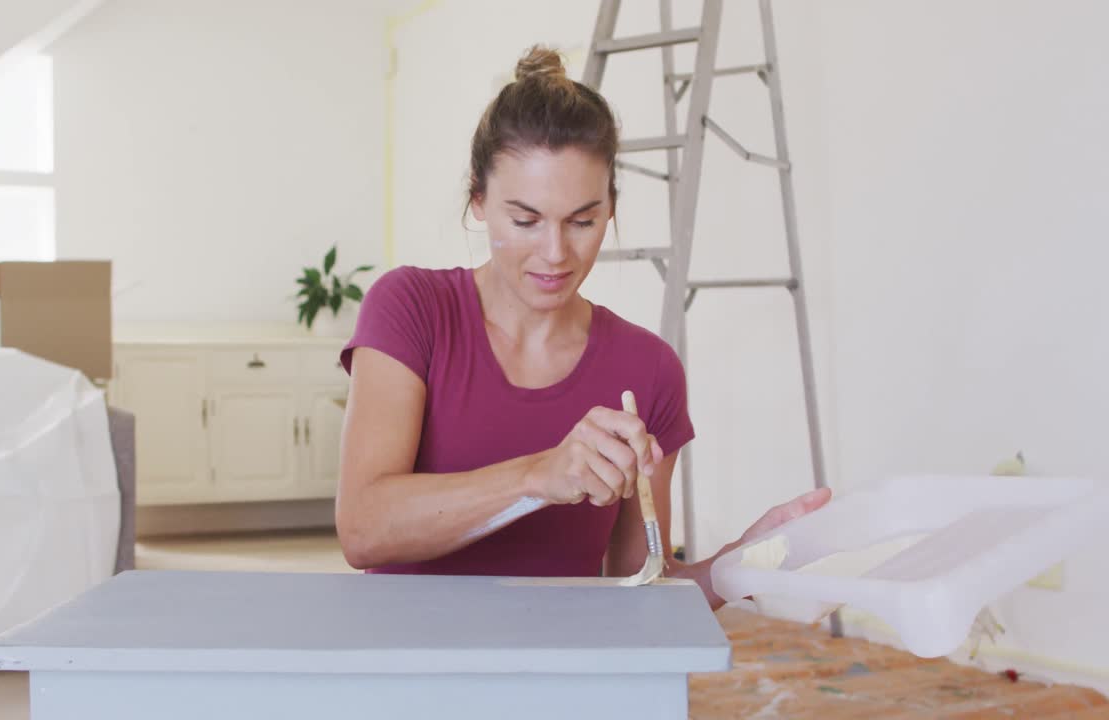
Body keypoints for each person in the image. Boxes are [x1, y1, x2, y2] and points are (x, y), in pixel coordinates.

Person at [334, 45, 829, 609]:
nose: (555, 253)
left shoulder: (648, 369)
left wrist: (747, 562)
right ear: (478, 198)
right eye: (525, 220)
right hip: (409, 675)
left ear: (610, 207)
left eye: (582, 221)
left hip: (562, 681)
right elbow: (363, 529)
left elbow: (641, 587)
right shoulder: (412, 309)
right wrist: (539, 476)